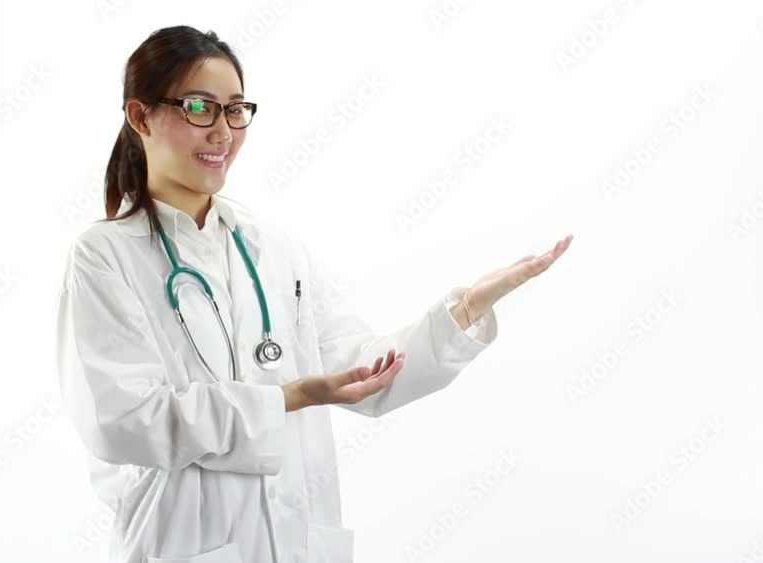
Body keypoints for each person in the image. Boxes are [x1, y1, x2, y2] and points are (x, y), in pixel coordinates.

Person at [55, 25, 573, 563]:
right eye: (199, 108)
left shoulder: (271, 246)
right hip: (182, 541)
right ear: (141, 117)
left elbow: (360, 373)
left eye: (235, 110)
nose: (223, 132)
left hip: (298, 540)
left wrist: (465, 311)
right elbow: (121, 422)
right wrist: (287, 398)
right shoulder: (104, 256)